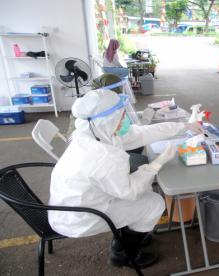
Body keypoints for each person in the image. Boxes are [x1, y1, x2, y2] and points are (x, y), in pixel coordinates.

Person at [48, 89, 203, 268]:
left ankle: (131, 234)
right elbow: (129, 191)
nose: (125, 121)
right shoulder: (103, 156)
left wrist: (184, 126)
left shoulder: (93, 133)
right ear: (108, 120)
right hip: (82, 217)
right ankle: (124, 253)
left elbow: (142, 133)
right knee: (154, 203)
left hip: (75, 202)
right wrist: (156, 164)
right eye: (121, 117)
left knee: (144, 189)